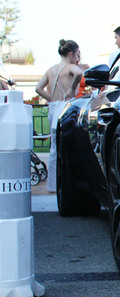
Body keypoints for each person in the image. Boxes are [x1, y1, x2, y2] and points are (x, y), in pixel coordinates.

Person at [35, 39, 84, 193]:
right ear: (71, 53)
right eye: (77, 54)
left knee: (54, 147)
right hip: (65, 107)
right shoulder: (71, 67)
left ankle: (52, 185)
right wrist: (71, 89)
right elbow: (78, 73)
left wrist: (52, 99)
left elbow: (38, 88)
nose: (78, 57)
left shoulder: (51, 69)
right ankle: (68, 183)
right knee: (69, 147)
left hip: (53, 107)